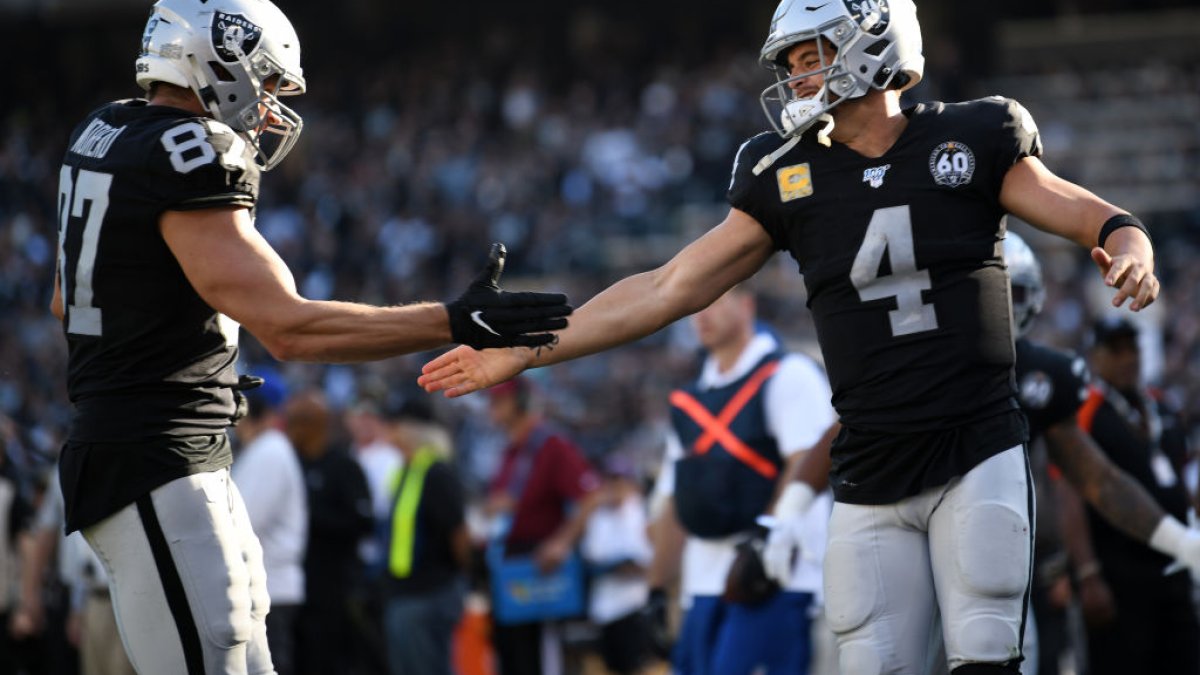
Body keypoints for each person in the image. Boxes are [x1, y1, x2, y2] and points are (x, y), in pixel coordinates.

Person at [419, 1, 1166, 671]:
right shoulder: (785, 172)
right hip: (869, 467)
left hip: (975, 446)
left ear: (873, 40)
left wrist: (1129, 245)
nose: (800, 75)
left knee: (984, 653)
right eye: (793, 61)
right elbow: (665, 287)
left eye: (814, 53)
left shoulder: (973, 136)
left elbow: (1091, 213)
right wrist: (525, 348)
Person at [49, 0, 571, 672]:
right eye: (264, 83)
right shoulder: (187, 151)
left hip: (166, 454)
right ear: (216, 58)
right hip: (157, 461)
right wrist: (451, 318)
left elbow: (67, 302)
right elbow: (290, 328)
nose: (268, 107)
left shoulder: (104, 132)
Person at [760, 233, 1200, 674]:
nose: (1003, 306)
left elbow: (1098, 479)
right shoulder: (909, 364)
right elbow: (835, 436)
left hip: (1000, 559)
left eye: (1015, 293)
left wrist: (1183, 543)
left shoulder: (1039, 374)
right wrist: (787, 514)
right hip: (909, 553)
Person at [646, 286, 835, 675]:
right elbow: (674, 498)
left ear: (747, 304)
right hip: (703, 585)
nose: (701, 314)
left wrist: (764, 544)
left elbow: (806, 464)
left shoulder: (789, 374)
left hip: (774, 580)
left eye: (714, 300)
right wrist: (657, 588)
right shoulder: (689, 401)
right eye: (695, 306)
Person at [1066, 316, 1199, 675]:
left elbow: (1181, 480)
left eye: (1133, 348)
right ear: (1096, 357)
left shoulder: (1162, 405)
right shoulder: (1084, 412)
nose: (1128, 358)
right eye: (1116, 350)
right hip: (1120, 574)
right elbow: (1070, 494)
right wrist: (1088, 574)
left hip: (1175, 567)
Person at [483, 377, 600, 675]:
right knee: (513, 657)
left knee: (541, 659)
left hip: (540, 570)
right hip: (509, 566)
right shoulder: (510, 450)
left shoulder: (551, 444)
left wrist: (562, 542)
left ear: (521, 402)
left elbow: (590, 495)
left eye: (499, 401)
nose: (491, 408)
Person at [285, 390, 378, 675]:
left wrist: (308, 518)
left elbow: (364, 523)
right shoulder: (290, 463)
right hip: (295, 587)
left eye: (299, 421)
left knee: (332, 660)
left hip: (335, 587)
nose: (291, 429)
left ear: (317, 424)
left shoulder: (343, 467)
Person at [379, 396, 469, 675]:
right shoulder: (407, 471)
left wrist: (461, 579)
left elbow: (458, 533)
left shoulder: (436, 472)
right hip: (407, 592)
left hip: (430, 592)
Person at [232, 377, 307, 675]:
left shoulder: (270, 450)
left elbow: (241, 522)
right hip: (266, 590)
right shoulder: (261, 449)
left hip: (270, 591)